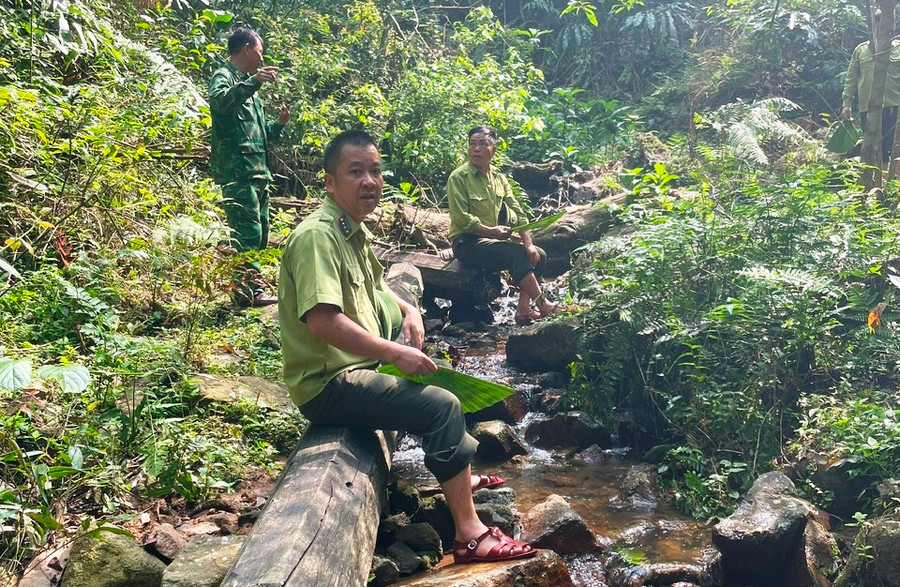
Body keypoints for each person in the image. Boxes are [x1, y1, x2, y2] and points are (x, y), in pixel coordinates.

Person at [278, 130, 536, 564]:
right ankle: (470, 535)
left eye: (375, 170)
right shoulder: (317, 237)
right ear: (329, 181)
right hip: (329, 383)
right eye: (355, 171)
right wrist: (394, 352)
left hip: (357, 369)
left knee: (446, 389)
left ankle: (458, 477)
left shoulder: (349, 229)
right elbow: (323, 321)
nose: (369, 181)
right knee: (442, 406)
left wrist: (408, 309)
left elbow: (376, 283)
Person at [209, 27, 290, 307]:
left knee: (262, 232)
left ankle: (250, 288)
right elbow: (220, 103)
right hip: (237, 172)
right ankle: (246, 293)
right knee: (248, 233)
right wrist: (253, 82)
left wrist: (278, 125)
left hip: (258, 171)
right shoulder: (224, 77)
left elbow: (257, 133)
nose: (261, 56)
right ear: (246, 49)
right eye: (259, 51)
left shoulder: (249, 86)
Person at [446, 125, 558, 326]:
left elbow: (519, 211)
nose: (476, 149)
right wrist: (491, 232)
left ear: (493, 150)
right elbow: (461, 218)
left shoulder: (499, 178)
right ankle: (543, 305)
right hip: (467, 244)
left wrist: (528, 243)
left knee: (538, 254)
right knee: (517, 255)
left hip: (490, 242)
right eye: (472, 144)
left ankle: (523, 310)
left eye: (483, 144)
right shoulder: (458, 177)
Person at [841, 22, 900, 163]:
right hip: (867, 106)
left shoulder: (898, 48)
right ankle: (876, 180)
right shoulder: (861, 50)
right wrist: (846, 103)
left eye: (884, 24)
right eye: (876, 24)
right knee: (871, 146)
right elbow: (851, 77)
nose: (880, 28)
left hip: (893, 105)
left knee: (893, 146)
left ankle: (892, 181)